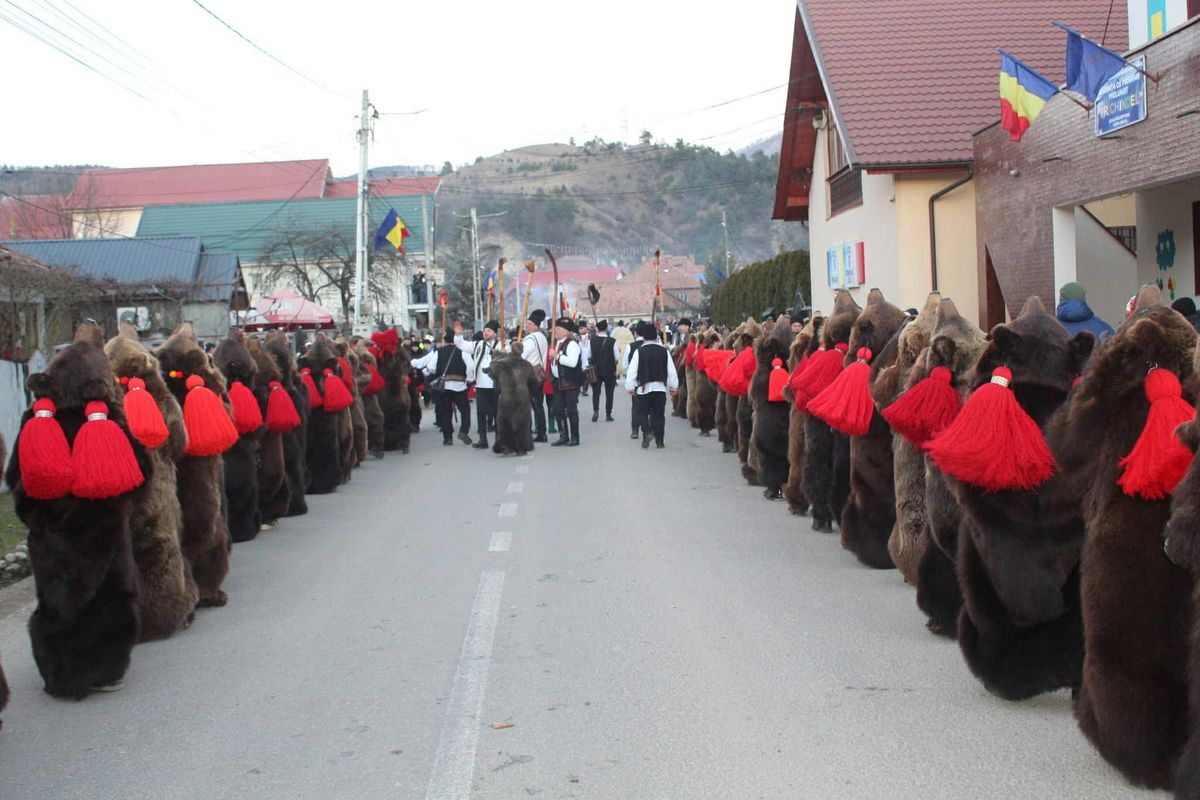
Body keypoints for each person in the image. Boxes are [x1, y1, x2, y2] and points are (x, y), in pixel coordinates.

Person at [412, 327, 473, 446]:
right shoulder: (463, 351)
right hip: (460, 386)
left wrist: (424, 372)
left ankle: (448, 438)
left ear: (445, 340)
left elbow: (432, 368)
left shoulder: (439, 352)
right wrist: (469, 379)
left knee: (446, 412)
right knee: (465, 410)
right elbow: (470, 367)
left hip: (444, 387)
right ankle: (463, 431)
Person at [625, 320, 679, 449]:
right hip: (660, 388)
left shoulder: (639, 352)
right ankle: (660, 440)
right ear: (656, 336)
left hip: (643, 388)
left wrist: (630, 387)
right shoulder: (663, 351)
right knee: (659, 415)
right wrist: (673, 386)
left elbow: (632, 371)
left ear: (643, 336)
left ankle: (647, 432)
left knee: (642, 412)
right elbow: (671, 371)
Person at [455, 320, 500, 449]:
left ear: (495, 334)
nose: (486, 333)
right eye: (485, 330)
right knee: (481, 413)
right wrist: (458, 335)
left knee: (498, 413)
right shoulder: (478, 344)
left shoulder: (502, 345)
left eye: (489, 331)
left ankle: (499, 439)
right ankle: (483, 439)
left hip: (497, 385)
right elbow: (462, 345)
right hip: (481, 385)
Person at [549, 317, 584, 446]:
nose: (555, 331)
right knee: (558, 409)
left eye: (559, 329)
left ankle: (575, 437)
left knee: (571, 410)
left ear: (566, 331)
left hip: (569, 382)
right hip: (557, 382)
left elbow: (572, 362)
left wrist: (556, 356)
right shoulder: (556, 343)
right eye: (555, 328)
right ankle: (563, 435)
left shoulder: (572, 344)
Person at [521, 310, 551, 442]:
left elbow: (521, 355)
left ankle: (529, 433)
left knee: (528, 406)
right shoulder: (542, 337)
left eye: (529, 324)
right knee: (538, 405)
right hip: (539, 374)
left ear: (536, 326)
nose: (527, 326)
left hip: (529, 375)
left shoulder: (530, 339)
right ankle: (542, 432)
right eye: (527, 323)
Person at [589, 320, 618, 422]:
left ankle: (596, 411)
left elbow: (588, 355)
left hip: (596, 370)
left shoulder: (592, 340)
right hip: (609, 371)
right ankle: (608, 414)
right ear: (606, 329)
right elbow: (617, 357)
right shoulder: (612, 341)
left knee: (596, 392)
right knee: (609, 393)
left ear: (597, 328)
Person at [622, 327, 647, 439]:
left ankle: (635, 430)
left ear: (635, 333)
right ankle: (647, 429)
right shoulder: (653, 346)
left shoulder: (630, 346)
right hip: (650, 380)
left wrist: (630, 380)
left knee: (636, 406)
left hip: (636, 381)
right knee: (649, 407)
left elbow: (625, 366)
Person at [577, 320, 591, 397]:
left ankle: (584, 390)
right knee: (579, 375)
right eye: (580, 328)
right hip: (579, 359)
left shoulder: (590, 337)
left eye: (583, 328)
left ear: (586, 328)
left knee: (587, 376)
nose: (581, 330)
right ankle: (578, 389)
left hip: (587, 358)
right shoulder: (576, 338)